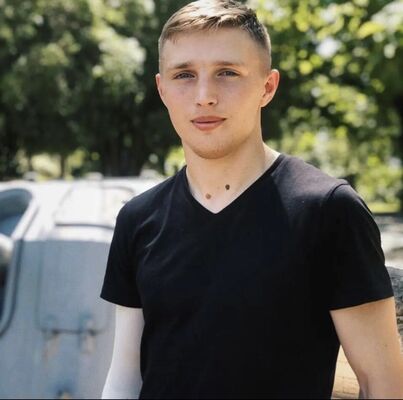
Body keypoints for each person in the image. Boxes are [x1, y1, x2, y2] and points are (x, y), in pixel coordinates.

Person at [100, 0, 403, 398]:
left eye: (227, 72)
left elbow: (383, 384)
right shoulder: (137, 219)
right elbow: (124, 377)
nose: (204, 96)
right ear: (162, 89)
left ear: (267, 87)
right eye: (184, 75)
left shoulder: (329, 211)